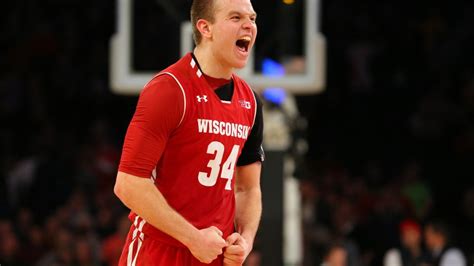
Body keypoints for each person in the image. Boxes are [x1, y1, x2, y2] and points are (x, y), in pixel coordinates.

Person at [113, 0, 264, 265]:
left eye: (252, 18)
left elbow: (248, 188)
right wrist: (192, 238)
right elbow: (128, 184)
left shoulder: (250, 102)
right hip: (160, 251)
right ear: (205, 28)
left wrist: (246, 238)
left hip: (215, 253)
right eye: (235, 17)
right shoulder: (170, 90)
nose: (249, 25)